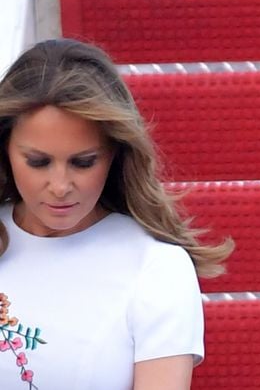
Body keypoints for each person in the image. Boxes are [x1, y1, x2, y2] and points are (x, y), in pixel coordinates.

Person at [0, 38, 233, 390]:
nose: (60, 185)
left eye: (83, 162)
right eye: (38, 162)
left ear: (116, 154)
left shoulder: (155, 266)